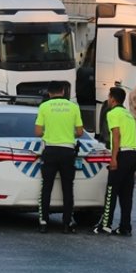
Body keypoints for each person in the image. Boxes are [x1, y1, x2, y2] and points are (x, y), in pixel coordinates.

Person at [35, 81, 84, 233]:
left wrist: (50, 132)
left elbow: (37, 132)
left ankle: (43, 223)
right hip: (68, 152)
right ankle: (66, 223)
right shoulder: (74, 107)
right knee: (68, 189)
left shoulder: (44, 107)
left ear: (49, 93)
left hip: (50, 151)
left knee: (46, 187)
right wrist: (68, 133)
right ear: (63, 91)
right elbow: (80, 132)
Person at [94, 87, 136, 236]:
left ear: (113, 99)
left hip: (122, 155)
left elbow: (116, 136)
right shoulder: (128, 114)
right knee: (127, 194)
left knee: (111, 191)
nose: (108, 100)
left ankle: (106, 224)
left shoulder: (112, 113)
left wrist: (113, 158)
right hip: (133, 155)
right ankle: (125, 226)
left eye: (108, 97)